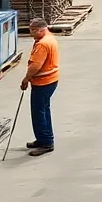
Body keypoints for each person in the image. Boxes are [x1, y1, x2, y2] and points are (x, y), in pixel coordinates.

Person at [21, 17, 60, 156]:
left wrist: (26, 79)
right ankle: (43, 138)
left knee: (39, 113)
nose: (31, 33)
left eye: (33, 30)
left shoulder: (43, 44)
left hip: (43, 82)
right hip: (50, 81)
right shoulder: (49, 38)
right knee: (43, 110)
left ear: (41, 29)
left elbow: (35, 66)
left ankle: (46, 143)